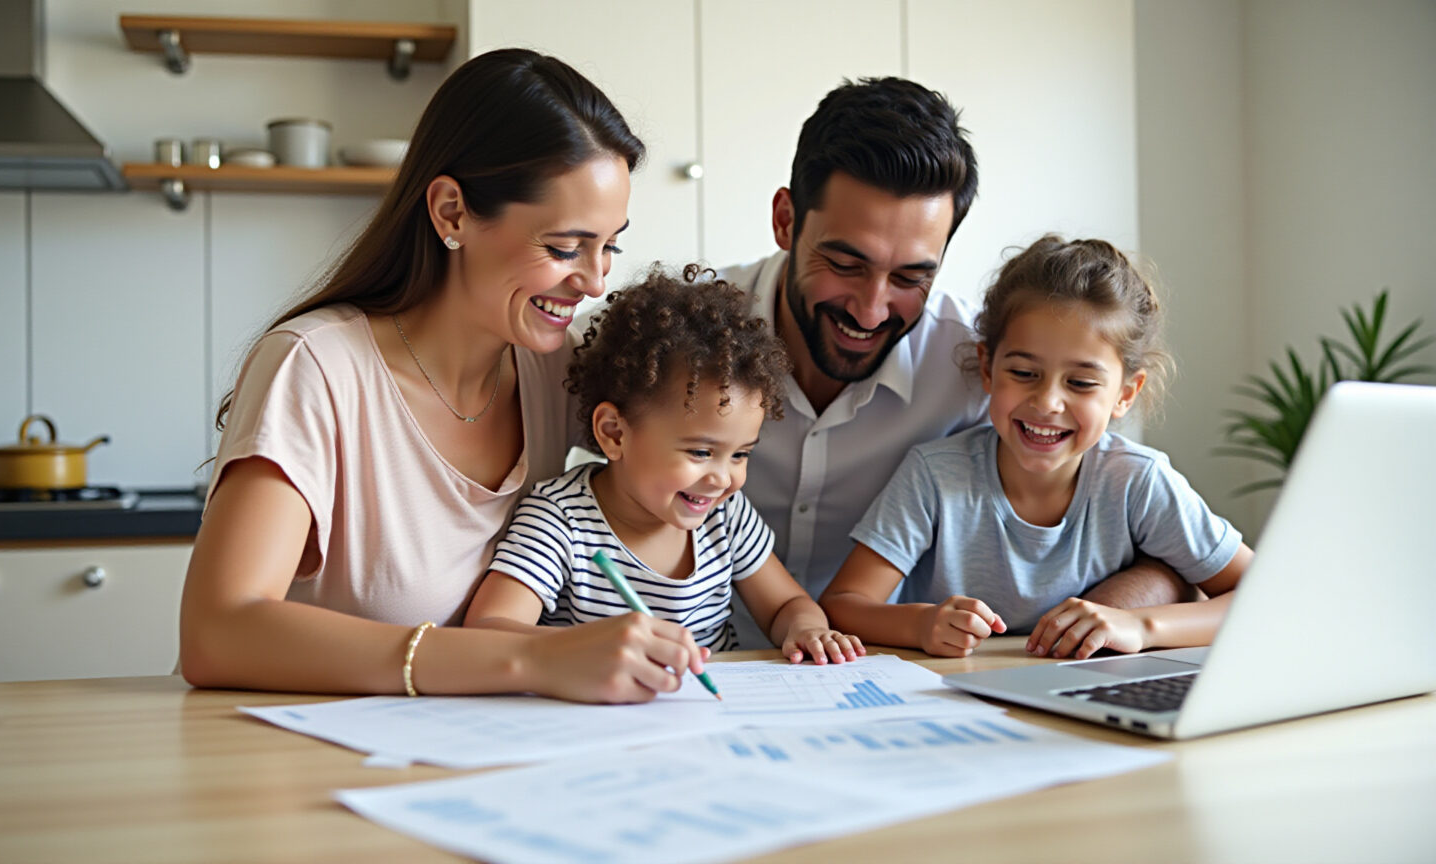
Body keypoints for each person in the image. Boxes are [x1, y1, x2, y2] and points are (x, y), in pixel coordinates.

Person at [179, 49, 714, 703]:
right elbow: (218, 631)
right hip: (305, 755)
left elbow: (694, 446)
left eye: (610, 246)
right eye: (564, 248)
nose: (595, 281)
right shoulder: (316, 366)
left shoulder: (559, 369)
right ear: (452, 212)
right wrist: (529, 658)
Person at [718, 77, 1191, 648]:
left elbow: (1155, 548)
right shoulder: (675, 342)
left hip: (876, 664)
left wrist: (1121, 609)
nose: (871, 310)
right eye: (845, 264)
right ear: (786, 221)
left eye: (910, 277)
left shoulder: (983, 361)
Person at [820, 235, 1254, 658]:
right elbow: (842, 604)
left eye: (1080, 383)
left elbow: (1260, 595)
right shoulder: (935, 475)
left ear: (1125, 394)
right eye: (1024, 373)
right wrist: (920, 624)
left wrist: (1141, 626)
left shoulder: (1138, 480)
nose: (1047, 402)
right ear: (987, 368)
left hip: (1085, 692)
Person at [466, 266, 866, 666]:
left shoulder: (726, 516)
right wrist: (587, 649)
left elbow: (785, 605)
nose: (723, 479)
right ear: (615, 433)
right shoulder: (561, 520)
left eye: (740, 455)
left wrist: (806, 628)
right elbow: (489, 630)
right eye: (700, 452)